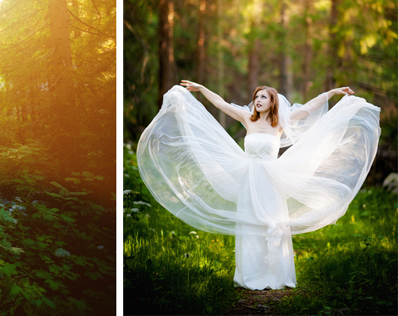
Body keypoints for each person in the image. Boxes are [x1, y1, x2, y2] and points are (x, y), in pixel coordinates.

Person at [137, 80, 380, 290]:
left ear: (273, 102)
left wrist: (332, 93)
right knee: (250, 224)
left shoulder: (280, 123)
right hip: (249, 180)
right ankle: (250, 276)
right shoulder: (247, 118)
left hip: (271, 182)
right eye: (256, 97)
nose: (258, 100)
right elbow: (221, 104)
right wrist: (201, 89)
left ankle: (275, 274)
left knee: (271, 223)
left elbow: (307, 109)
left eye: (263, 97)